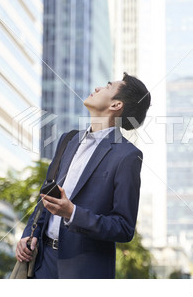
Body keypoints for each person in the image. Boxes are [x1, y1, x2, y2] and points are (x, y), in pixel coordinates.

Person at [15, 72, 151, 278]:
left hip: (84, 270)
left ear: (116, 105)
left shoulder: (127, 156)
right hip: (42, 264)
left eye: (106, 87)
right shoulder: (68, 140)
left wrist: (72, 213)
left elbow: (124, 228)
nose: (97, 88)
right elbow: (46, 197)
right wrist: (28, 235)